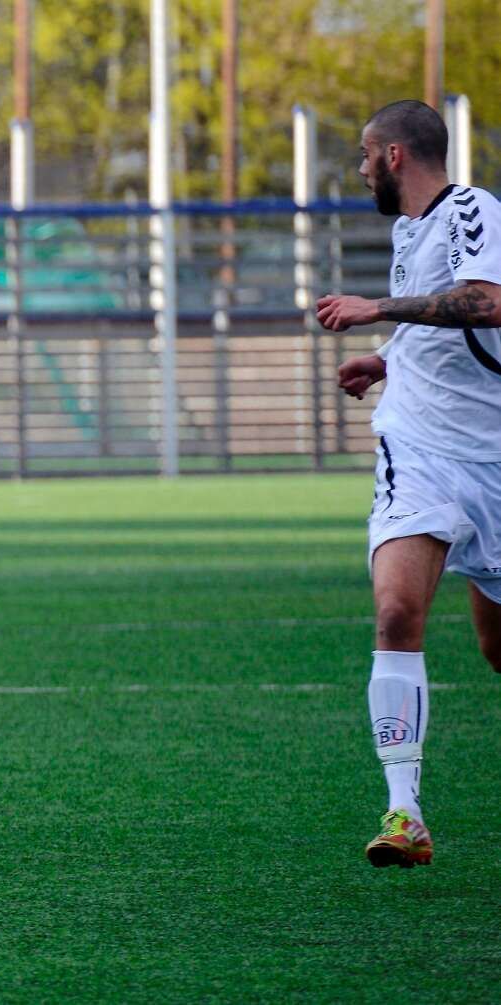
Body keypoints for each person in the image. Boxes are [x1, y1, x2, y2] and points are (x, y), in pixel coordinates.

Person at [317, 99, 501, 869]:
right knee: (395, 613)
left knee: (497, 648)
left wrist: (376, 309)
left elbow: (486, 301)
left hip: (492, 460)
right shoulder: (409, 233)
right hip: (420, 450)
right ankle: (405, 812)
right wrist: (388, 358)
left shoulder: (472, 209)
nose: (362, 171)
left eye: (366, 156)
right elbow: (441, 324)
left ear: (394, 155)